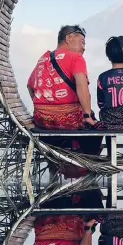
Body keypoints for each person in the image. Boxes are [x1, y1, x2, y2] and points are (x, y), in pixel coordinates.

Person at [27, 24, 101, 155]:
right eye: (82, 42)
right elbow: (82, 87)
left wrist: (46, 106)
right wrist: (87, 115)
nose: (84, 48)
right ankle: (85, 166)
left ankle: (57, 160)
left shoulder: (43, 59)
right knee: (96, 129)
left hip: (42, 121)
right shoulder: (76, 58)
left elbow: (29, 86)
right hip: (69, 120)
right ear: (69, 38)